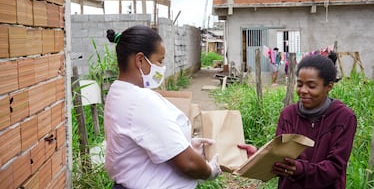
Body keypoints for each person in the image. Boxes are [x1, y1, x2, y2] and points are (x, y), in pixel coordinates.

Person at [104, 25, 222, 189]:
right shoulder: (141, 101)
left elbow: (145, 143)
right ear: (139, 60)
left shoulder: (118, 93)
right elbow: (188, 163)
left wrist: (184, 144)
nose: (161, 67)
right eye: (159, 60)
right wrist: (209, 171)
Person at [238, 54, 357, 189]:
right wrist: (260, 156)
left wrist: (300, 169)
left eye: (311, 86)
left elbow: (335, 167)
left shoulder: (344, 117)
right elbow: (280, 156)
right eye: (299, 84)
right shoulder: (288, 115)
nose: (303, 91)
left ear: (328, 86)